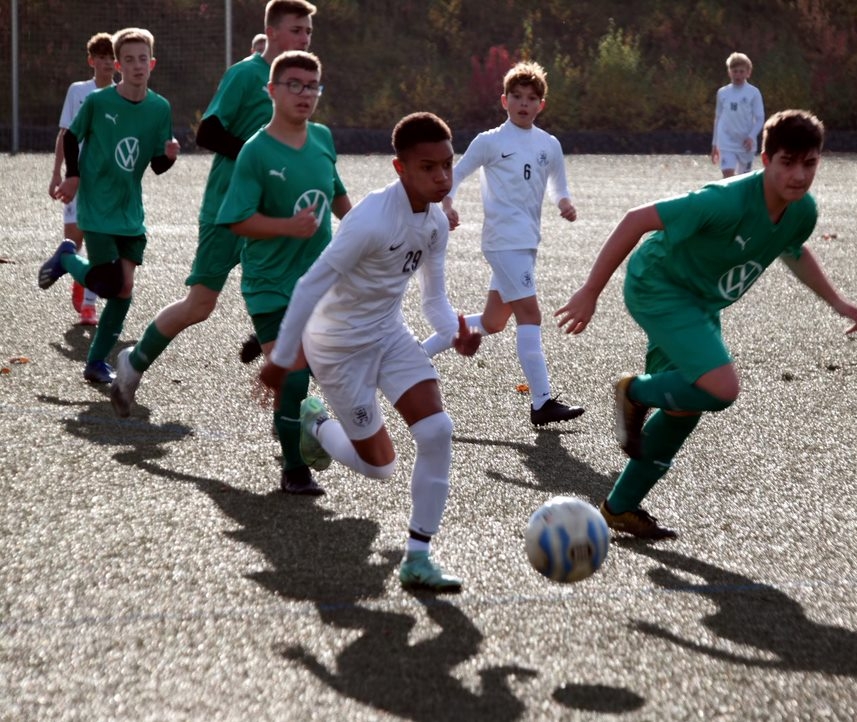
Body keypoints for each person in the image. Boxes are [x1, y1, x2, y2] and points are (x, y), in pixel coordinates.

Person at [556, 109, 857, 539]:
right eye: (787, 162)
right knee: (721, 388)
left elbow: (793, 249)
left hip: (699, 302)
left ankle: (619, 508)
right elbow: (636, 219)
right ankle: (634, 391)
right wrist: (590, 291)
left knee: (684, 408)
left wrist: (837, 302)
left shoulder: (801, 211)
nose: (799, 175)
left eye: (809, 163)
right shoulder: (724, 201)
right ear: (765, 159)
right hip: (658, 285)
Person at [260, 112, 482, 591]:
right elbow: (310, 284)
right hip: (337, 349)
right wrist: (282, 357)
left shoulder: (436, 222)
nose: (442, 176)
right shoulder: (370, 220)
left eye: (447, 164)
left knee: (437, 430)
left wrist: (456, 333)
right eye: (428, 167)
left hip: (388, 334)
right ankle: (316, 425)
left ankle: (418, 558)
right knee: (381, 467)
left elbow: (434, 301)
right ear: (400, 168)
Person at [117, 50, 347, 498]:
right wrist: (288, 227)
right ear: (272, 90)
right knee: (287, 370)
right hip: (270, 283)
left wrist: (363, 231)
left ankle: (295, 416)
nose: (304, 94)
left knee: (326, 364)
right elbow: (236, 218)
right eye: (294, 85)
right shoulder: (256, 149)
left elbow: (336, 193)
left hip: (317, 281)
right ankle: (295, 468)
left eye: (312, 86)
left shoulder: (322, 138)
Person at [107, 0, 315, 413]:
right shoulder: (245, 75)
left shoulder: (302, 84)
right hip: (228, 211)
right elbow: (209, 132)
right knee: (200, 305)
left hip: (273, 218)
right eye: (297, 30)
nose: (305, 38)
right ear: (272, 32)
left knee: (300, 292)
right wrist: (258, 157)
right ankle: (134, 362)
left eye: (308, 31)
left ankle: (292, 424)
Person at [420, 60, 583, 428]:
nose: (524, 103)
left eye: (531, 98)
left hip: (526, 242)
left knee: (493, 322)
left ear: (541, 104)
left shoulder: (549, 144)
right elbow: (455, 175)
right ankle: (541, 402)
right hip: (502, 241)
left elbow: (559, 184)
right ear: (504, 100)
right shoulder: (490, 141)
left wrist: (564, 203)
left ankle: (419, 353)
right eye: (517, 96)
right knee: (531, 315)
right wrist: (448, 205)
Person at [38, 28, 180, 384]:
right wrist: (71, 177)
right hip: (97, 205)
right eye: (129, 60)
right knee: (109, 282)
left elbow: (155, 165)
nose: (137, 65)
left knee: (124, 289)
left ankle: (95, 363)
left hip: (130, 211)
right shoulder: (98, 102)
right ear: (118, 66)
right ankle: (68, 257)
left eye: (142, 59)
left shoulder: (160, 108)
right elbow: (72, 136)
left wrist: (169, 157)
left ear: (152, 63)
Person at [48, 32, 116, 327]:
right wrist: (57, 173)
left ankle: (89, 305)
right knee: (73, 242)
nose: (107, 63)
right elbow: (65, 133)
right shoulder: (78, 91)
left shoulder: (123, 94)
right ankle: (81, 276)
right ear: (91, 61)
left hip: (108, 183)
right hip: (77, 178)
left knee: (103, 246)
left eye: (111, 58)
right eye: (101, 57)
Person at [710, 52, 765, 178]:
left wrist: (751, 136)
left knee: (743, 178)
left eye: (741, 71)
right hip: (726, 141)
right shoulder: (722, 93)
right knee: (728, 177)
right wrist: (715, 144)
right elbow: (718, 118)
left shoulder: (753, 93)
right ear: (729, 72)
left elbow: (760, 118)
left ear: (748, 73)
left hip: (745, 143)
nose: (738, 75)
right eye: (735, 71)